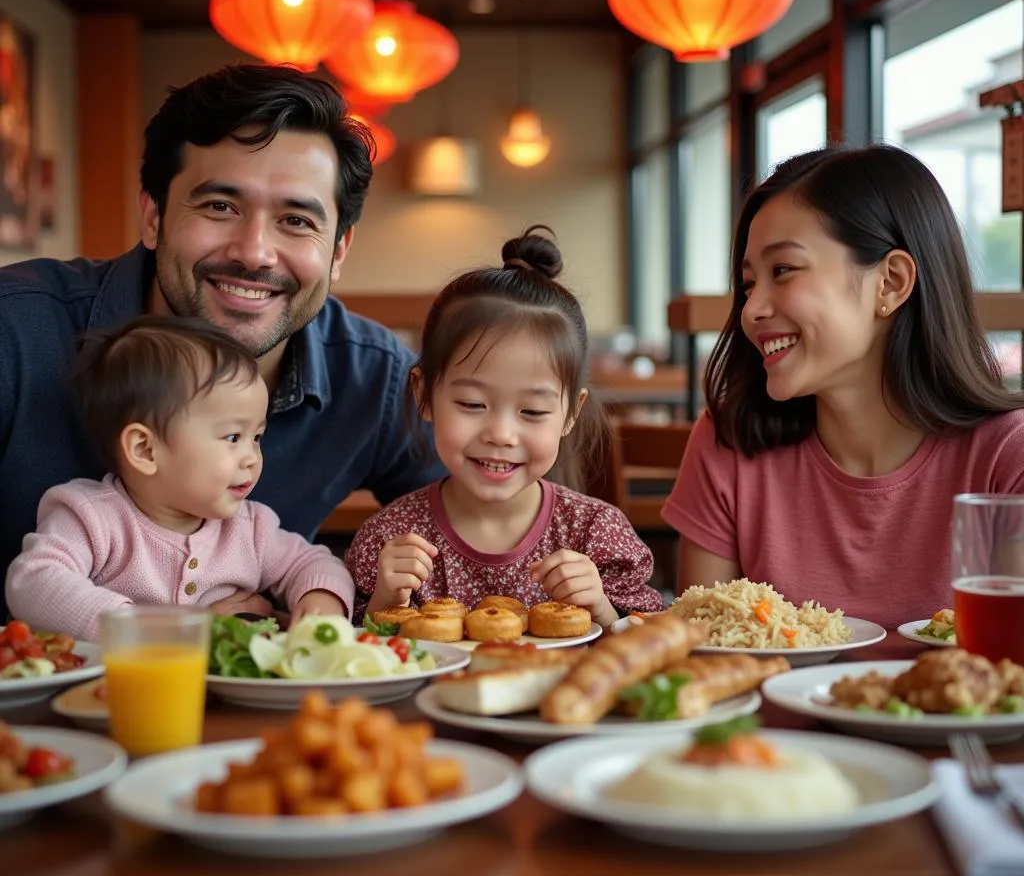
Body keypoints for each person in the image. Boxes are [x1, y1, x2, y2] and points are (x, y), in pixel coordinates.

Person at [0, 64, 442, 619]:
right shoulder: (15, 331)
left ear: (339, 250)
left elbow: (492, 516)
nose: (254, 251)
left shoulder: (372, 377)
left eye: (297, 221)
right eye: (219, 207)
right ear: (154, 216)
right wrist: (183, 631)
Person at [662, 144, 1024, 628]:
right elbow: (704, 655)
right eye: (749, 284)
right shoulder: (729, 441)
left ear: (890, 283)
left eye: (783, 271)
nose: (751, 310)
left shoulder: (1007, 458)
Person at [344, 227, 664, 628]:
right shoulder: (390, 538)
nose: (500, 433)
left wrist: (599, 607)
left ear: (571, 412)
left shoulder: (596, 534)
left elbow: (651, 641)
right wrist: (382, 603)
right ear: (424, 394)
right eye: (472, 404)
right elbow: (356, 657)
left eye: (531, 411)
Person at [6, 316, 355, 641]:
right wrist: (167, 631)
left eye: (257, 438)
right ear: (145, 450)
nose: (252, 458)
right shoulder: (91, 516)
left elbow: (314, 562)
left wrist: (322, 599)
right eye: (233, 437)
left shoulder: (249, 528)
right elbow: (34, 581)